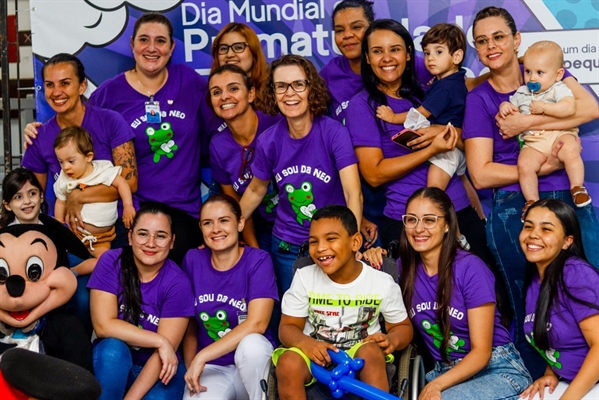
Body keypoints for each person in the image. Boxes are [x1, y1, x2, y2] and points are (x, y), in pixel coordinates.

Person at [462, 6, 599, 378]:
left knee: (593, 283)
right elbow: (481, 173)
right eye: (482, 41)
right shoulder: (480, 99)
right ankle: (539, 379)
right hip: (516, 204)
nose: (491, 46)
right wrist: (541, 166)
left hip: (572, 196)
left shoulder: (546, 67)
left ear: (516, 39)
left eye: (499, 37)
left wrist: (528, 121)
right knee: (526, 300)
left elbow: (589, 108)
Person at [345, 19, 486, 259]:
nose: (387, 58)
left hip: (458, 211)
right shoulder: (362, 105)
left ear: (409, 55)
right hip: (408, 222)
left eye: (395, 49)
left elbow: (466, 135)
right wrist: (430, 150)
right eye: (377, 51)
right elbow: (374, 174)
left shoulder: (427, 91)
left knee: (484, 291)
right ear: (367, 58)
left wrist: (441, 131)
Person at [86, 12, 208, 264]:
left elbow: (228, 116)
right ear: (132, 45)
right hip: (131, 210)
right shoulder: (108, 94)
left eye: (161, 41)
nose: (152, 48)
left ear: (172, 47)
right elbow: (81, 145)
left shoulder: (190, 82)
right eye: (144, 40)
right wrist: (40, 130)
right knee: (131, 287)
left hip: (183, 211)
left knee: (176, 285)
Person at [240, 54, 363, 293]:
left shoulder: (334, 133)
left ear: (311, 89)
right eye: (281, 86)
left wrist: (352, 242)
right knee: (296, 319)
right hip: (288, 247)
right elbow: (256, 189)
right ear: (273, 93)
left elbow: (353, 193)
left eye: (298, 84)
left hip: (334, 243)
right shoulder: (269, 141)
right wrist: (229, 225)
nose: (290, 93)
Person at [395, 187, 531, 400]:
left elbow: (481, 353)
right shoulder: (404, 268)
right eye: (411, 220)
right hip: (446, 373)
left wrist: (436, 385)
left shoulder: (470, 268)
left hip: (497, 369)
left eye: (429, 220)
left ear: (447, 224)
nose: (418, 228)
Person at [273, 205, 412, 399]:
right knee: (288, 362)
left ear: (355, 242)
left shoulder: (381, 283)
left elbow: (403, 327)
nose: (320, 248)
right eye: (313, 242)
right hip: (314, 351)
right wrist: (306, 343)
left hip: (359, 350)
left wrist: (392, 339)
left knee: (371, 352)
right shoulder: (305, 277)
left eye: (331, 239)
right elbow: (287, 327)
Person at [375, 23, 477, 250]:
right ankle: (478, 218)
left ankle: (458, 235)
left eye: (439, 52)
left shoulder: (444, 88)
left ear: (457, 56)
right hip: (456, 148)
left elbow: (421, 114)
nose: (430, 59)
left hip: (446, 150)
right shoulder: (454, 80)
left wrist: (392, 118)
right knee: (462, 182)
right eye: (428, 53)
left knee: (433, 191)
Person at [21, 53, 137, 239]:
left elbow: (129, 183)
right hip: (69, 232)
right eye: (50, 85)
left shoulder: (110, 121)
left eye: (65, 83)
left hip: (118, 226)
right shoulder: (39, 137)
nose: (56, 92)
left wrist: (78, 195)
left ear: (82, 86)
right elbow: (32, 194)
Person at [88, 202, 194, 400]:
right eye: (143, 234)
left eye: (160, 236)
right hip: (114, 363)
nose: (151, 243)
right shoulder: (111, 261)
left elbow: (162, 356)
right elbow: (103, 326)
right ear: (130, 237)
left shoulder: (179, 283)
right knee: (113, 349)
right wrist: (160, 341)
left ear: (172, 242)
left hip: (159, 366)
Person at [182, 194, 278, 399]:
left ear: (240, 223)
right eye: (208, 223)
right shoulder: (193, 259)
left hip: (252, 363)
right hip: (212, 367)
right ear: (201, 228)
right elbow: (189, 323)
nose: (216, 229)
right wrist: (192, 364)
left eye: (224, 220)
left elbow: (257, 324)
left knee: (251, 345)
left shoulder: (258, 260)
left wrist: (202, 356)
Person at [498, 41, 590, 217]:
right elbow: (511, 108)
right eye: (528, 71)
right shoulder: (522, 92)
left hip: (560, 135)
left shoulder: (559, 88)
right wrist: (504, 106)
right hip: (534, 142)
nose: (532, 78)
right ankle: (531, 201)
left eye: (540, 73)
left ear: (558, 74)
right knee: (524, 165)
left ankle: (577, 188)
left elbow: (569, 108)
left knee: (571, 151)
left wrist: (545, 108)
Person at [519, 199, 599, 400]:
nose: (533, 234)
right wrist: (550, 372)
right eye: (528, 226)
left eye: (546, 229)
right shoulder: (535, 280)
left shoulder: (576, 273)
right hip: (575, 382)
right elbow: (559, 336)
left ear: (567, 241)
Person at [208, 65, 279, 251]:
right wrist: (255, 252)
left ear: (251, 94)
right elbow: (238, 210)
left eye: (233, 88)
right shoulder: (218, 145)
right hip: (260, 228)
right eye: (216, 92)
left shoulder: (277, 123)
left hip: (299, 224)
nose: (224, 97)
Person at [53, 126, 136, 274]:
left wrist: (128, 206)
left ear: (88, 157)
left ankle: (75, 271)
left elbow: (122, 183)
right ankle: (69, 272)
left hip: (102, 239)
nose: (65, 167)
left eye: (71, 161)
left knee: (107, 261)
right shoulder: (64, 178)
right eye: (61, 162)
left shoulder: (102, 170)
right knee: (60, 256)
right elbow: (60, 201)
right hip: (76, 235)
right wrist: (60, 228)